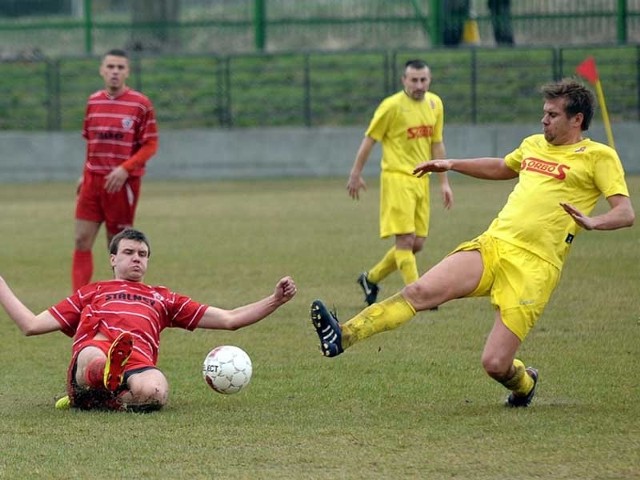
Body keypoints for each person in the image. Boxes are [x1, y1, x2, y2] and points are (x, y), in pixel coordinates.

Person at [312, 79, 634, 407]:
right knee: (419, 292)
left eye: (552, 114)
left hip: (534, 267)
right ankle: (345, 334)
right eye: (544, 113)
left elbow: (625, 212)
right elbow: (502, 167)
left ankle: (524, 384)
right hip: (495, 244)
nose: (544, 120)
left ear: (576, 119)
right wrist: (451, 164)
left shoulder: (599, 157)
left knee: (495, 364)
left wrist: (595, 222)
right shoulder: (534, 144)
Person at [0, 228, 297, 412]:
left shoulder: (162, 298)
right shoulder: (92, 292)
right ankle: (99, 380)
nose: (136, 258)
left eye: (142, 254)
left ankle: (103, 399)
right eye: (128, 252)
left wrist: (275, 300)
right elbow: (31, 325)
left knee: (155, 392)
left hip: (138, 363)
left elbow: (229, 318)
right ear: (113, 259)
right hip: (98, 349)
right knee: (92, 355)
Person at [348, 59, 453, 307]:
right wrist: (356, 173)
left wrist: (444, 182)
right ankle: (419, 295)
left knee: (416, 244)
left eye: (423, 80)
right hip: (397, 179)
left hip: (421, 180)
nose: (419, 85)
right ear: (403, 81)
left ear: (429, 80)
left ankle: (370, 279)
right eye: (414, 80)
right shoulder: (391, 106)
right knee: (405, 241)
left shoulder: (435, 103)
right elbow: (370, 139)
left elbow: (436, 143)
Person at [72, 48, 159, 292]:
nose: (115, 72)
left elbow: (151, 144)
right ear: (102, 70)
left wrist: (125, 169)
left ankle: (119, 298)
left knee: (118, 245)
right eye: (110, 67)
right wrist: (84, 172)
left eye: (120, 67)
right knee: (81, 239)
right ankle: (78, 303)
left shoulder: (140, 104)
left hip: (121, 184)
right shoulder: (94, 101)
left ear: (127, 72)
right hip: (93, 180)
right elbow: (91, 143)